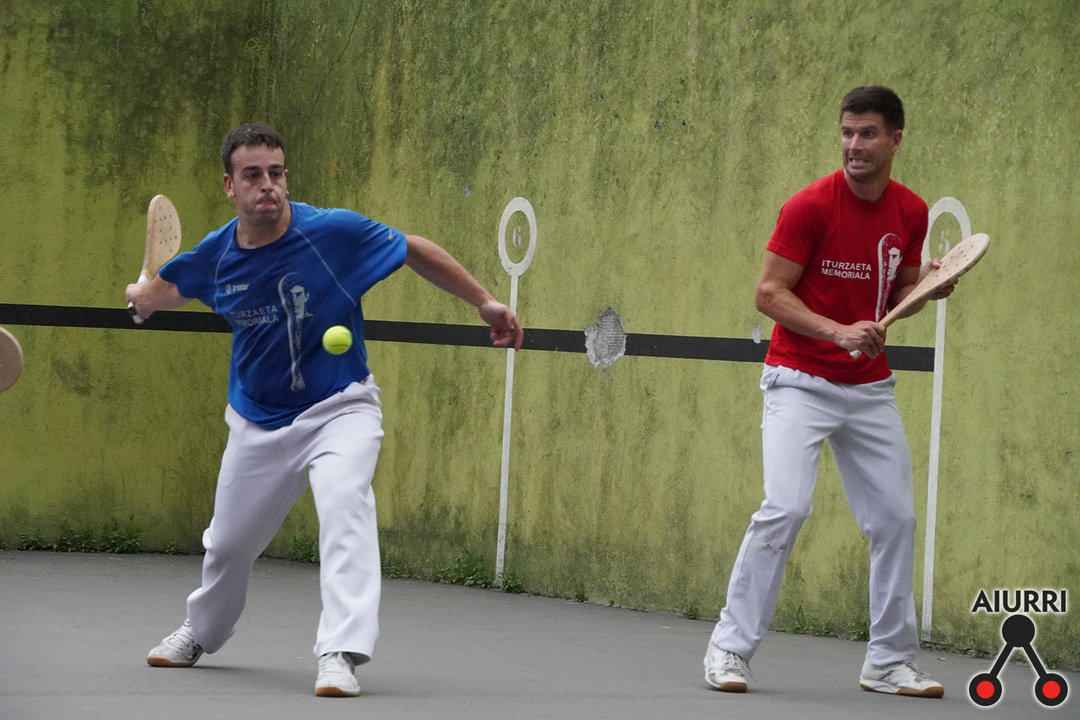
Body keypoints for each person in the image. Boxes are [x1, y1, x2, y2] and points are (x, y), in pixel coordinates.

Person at [126, 122, 523, 698]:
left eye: (276, 173)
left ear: (286, 177)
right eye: (252, 175)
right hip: (256, 418)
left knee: (344, 508)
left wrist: (484, 300)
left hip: (340, 408)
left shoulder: (332, 231)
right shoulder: (216, 254)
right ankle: (202, 631)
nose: (267, 185)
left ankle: (339, 651)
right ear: (230, 186)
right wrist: (143, 298)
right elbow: (169, 290)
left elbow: (413, 247)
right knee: (229, 544)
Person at [703, 87, 955, 698]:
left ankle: (888, 662)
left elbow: (897, 296)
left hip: (868, 388)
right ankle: (728, 649)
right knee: (786, 507)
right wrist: (838, 332)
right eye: (846, 132)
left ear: (895, 139)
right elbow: (768, 294)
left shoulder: (911, 211)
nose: (854, 145)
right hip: (799, 380)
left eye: (867, 133)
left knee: (895, 519)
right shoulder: (810, 205)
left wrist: (928, 289)